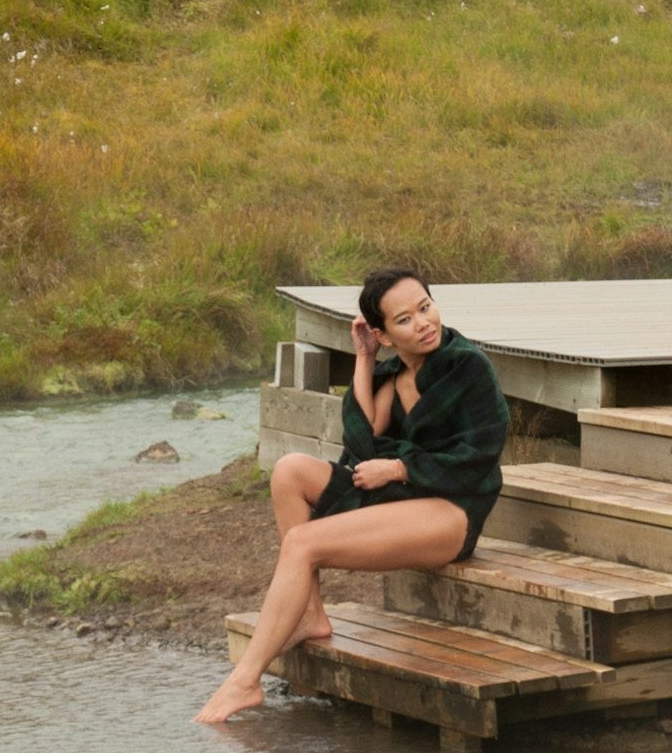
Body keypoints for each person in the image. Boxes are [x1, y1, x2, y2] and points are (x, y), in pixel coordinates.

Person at [197, 267, 510, 725]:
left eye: (425, 307)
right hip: (402, 498)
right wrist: (363, 360)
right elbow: (363, 443)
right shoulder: (394, 372)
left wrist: (400, 467)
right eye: (404, 320)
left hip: (453, 510)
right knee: (288, 472)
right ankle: (310, 614)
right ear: (383, 335)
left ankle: (244, 682)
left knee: (303, 545)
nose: (423, 323)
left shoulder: (468, 366)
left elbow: (481, 455)